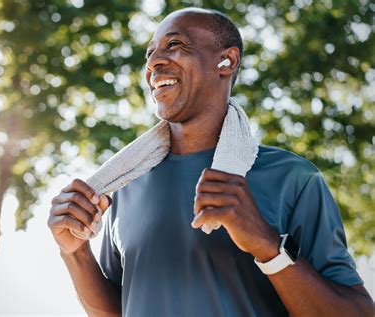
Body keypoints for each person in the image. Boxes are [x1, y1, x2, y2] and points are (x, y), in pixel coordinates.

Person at [48, 7, 373, 316]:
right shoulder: (123, 185)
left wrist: (268, 246)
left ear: (226, 61)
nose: (154, 62)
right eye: (150, 54)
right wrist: (74, 252)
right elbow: (119, 311)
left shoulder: (293, 178)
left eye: (174, 45)